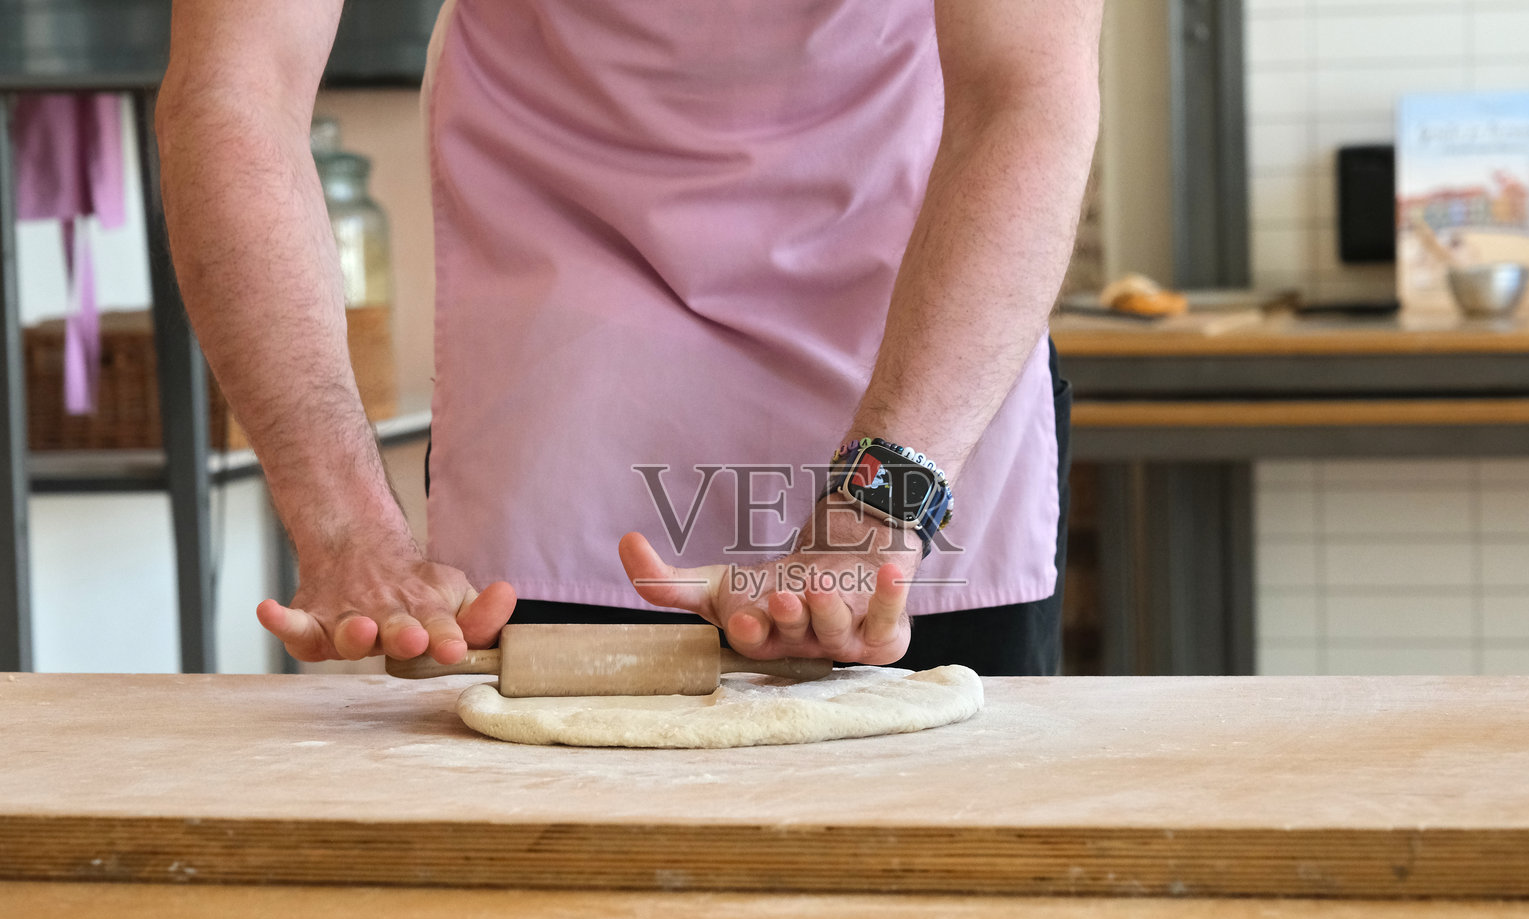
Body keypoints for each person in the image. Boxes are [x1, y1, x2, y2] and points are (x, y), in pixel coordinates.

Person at [157, 0, 1101, 676]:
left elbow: (1024, 95)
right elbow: (236, 95)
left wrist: (876, 510)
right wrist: (344, 525)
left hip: (918, 356)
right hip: (565, 373)